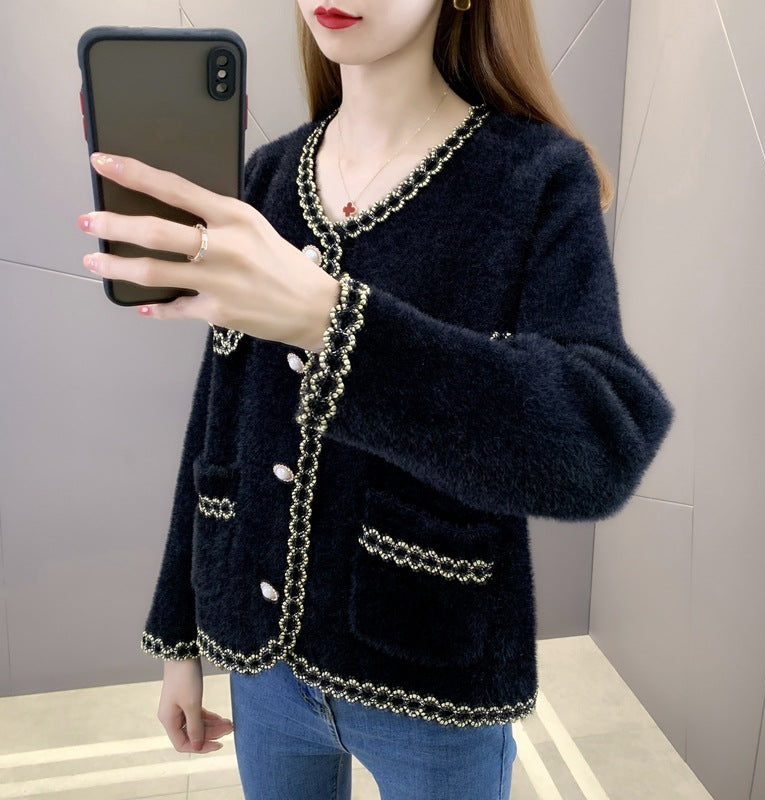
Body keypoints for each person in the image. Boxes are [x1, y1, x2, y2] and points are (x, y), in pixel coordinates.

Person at [78, 1, 674, 798]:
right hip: (263, 669)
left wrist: (333, 323)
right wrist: (177, 636)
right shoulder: (266, 178)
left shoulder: (533, 177)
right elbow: (218, 418)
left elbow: (598, 443)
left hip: (431, 669)